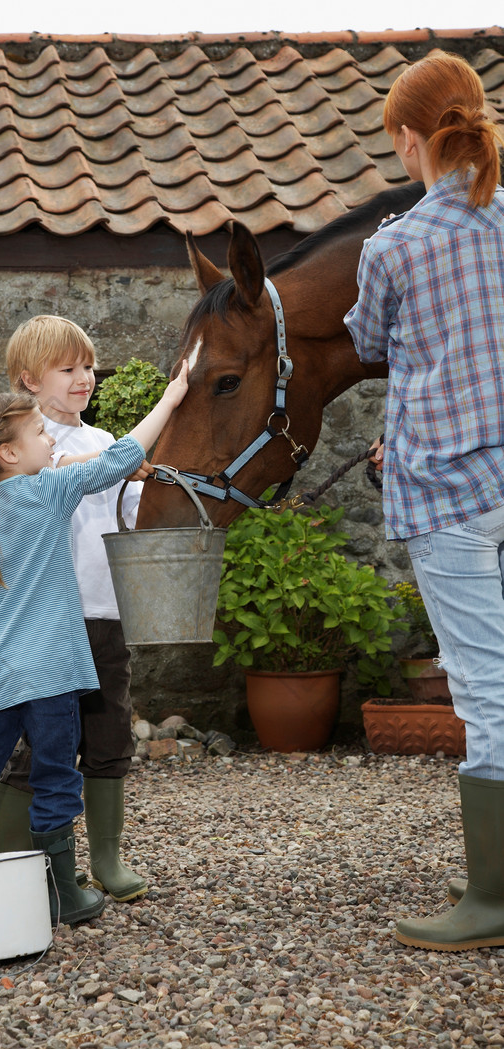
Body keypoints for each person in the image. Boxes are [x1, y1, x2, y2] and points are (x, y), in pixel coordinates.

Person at [0, 359, 188, 930]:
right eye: (41, 432)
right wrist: (171, 398)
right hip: (52, 674)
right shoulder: (45, 492)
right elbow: (122, 458)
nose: (50, 439)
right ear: (11, 454)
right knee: (56, 776)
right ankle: (64, 891)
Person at [345, 50, 504, 951]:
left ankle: (491, 901)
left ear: (411, 140)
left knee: (485, 685)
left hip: (446, 493)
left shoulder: (395, 243)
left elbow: (373, 342)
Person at [0, 315, 151, 902]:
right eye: (68, 369)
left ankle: (106, 857)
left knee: (109, 734)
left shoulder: (106, 443)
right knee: (42, 743)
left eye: (88, 367)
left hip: (105, 613)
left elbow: (127, 520)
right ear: (28, 380)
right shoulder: (23, 450)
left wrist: (143, 484)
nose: (84, 378)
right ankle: (15, 858)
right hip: (50, 624)